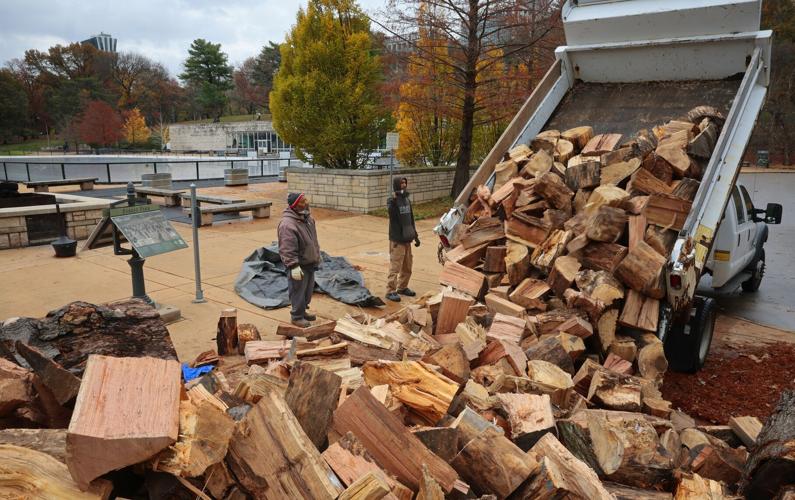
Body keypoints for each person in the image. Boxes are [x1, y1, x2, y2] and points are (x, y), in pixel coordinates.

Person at [277, 192, 321, 327]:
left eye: (306, 199)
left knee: (307, 291)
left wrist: (316, 256)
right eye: (303, 201)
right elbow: (287, 248)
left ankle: (302, 311)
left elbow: (313, 240)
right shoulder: (287, 225)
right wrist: (293, 266)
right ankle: (296, 316)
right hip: (298, 265)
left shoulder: (308, 219)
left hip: (309, 262)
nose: (306, 202)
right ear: (295, 206)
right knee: (298, 292)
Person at [386, 176, 420, 302]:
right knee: (395, 266)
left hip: (407, 239)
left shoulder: (407, 200)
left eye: (405, 182)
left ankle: (402, 287)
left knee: (407, 266)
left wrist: (415, 235)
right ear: (396, 185)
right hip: (397, 240)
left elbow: (410, 219)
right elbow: (390, 213)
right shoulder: (392, 202)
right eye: (401, 183)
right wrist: (393, 201)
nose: (404, 185)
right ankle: (390, 291)